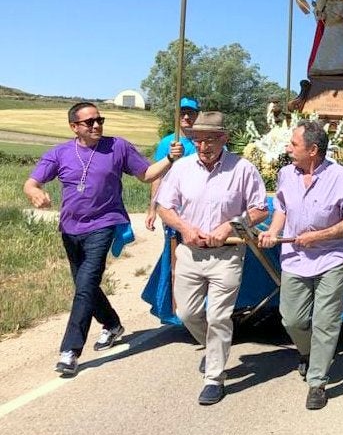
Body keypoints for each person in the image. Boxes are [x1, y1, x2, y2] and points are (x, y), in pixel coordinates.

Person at [24, 102, 183, 375]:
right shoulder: (60, 153)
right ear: (74, 127)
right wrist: (35, 193)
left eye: (100, 120)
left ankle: (70, 350)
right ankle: (112, 324)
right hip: (70, 228)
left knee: (86, 284)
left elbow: (145, 175)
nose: (97, 125)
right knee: (84, 286)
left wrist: (169, 159)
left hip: (104, 223)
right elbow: (31, 182)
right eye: (90, 122)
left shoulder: (117, 147)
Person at [155, 111, 268, 406]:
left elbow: (259, 209)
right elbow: (165, 206)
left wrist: (229, 226)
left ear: (224, 138)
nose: (203, 146)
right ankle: (214, 346)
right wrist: (184, 228)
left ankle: (214, 378)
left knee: (218, 316)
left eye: (210, 139)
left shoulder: (242, 169)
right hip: (190, 252)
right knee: (187, 314)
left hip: (227, 254)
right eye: (198, 140)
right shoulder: (181, 169)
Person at [258, 120, 343, 411]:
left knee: (325, 321)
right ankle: (308, 353)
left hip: (333, 257)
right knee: (291, 318)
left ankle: (317, 381)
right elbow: (281, 207)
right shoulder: (285, 175)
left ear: (313, 150)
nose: (288, 148)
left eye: (293, 144)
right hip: (294, 257)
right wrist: (273, 232)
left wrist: (319, 236)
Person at [146, 97, 200, 231]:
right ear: (176, 115)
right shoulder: (167, 143)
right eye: (182, 113)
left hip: (198, 204)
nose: (186, 117)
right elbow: (158, 177)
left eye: (190, 113)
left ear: (197, 115)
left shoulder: (205, 141)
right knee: (172, 245)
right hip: (173, 205)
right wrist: (152, 209)